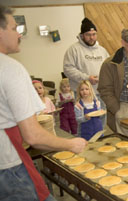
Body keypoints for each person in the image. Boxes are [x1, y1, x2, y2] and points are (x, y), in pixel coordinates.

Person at [0, 5, 87, 201]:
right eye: (14, 29)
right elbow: (33, 135)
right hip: (8, 167)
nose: (19, 35)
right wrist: (70, 144)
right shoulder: (10, 69)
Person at [63, 17, 109, 127]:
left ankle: (100, 139)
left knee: (101, 118)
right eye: (88, 34)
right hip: (82, 93)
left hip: (99, 92)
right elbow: (68, 69)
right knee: (84, 121)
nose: (91, 37)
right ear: (82, 35)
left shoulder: (102, 50)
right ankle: (86, 142)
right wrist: (87, 78)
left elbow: (108, 68)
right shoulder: (73, 49)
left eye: (94, 34)